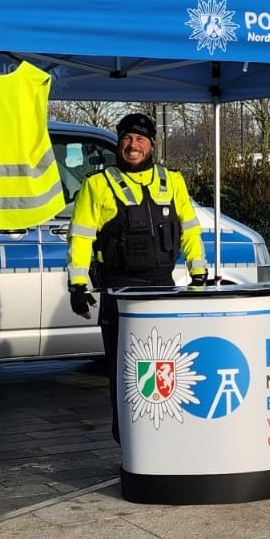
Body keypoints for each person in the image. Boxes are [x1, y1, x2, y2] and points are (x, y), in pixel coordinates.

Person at [66, 112, 208, 442]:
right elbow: (81, 237)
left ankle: (167, 439)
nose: (133, 145)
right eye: (127, 139)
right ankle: (129, 441)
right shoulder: (96, 185)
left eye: (140, 139)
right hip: (120, 292)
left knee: (167, 368)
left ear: (151, 145)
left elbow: (190, 231)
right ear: (119, 144)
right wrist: (77, 285)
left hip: (164, 289)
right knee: (127, 373)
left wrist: (198, 275)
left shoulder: (172, 181)